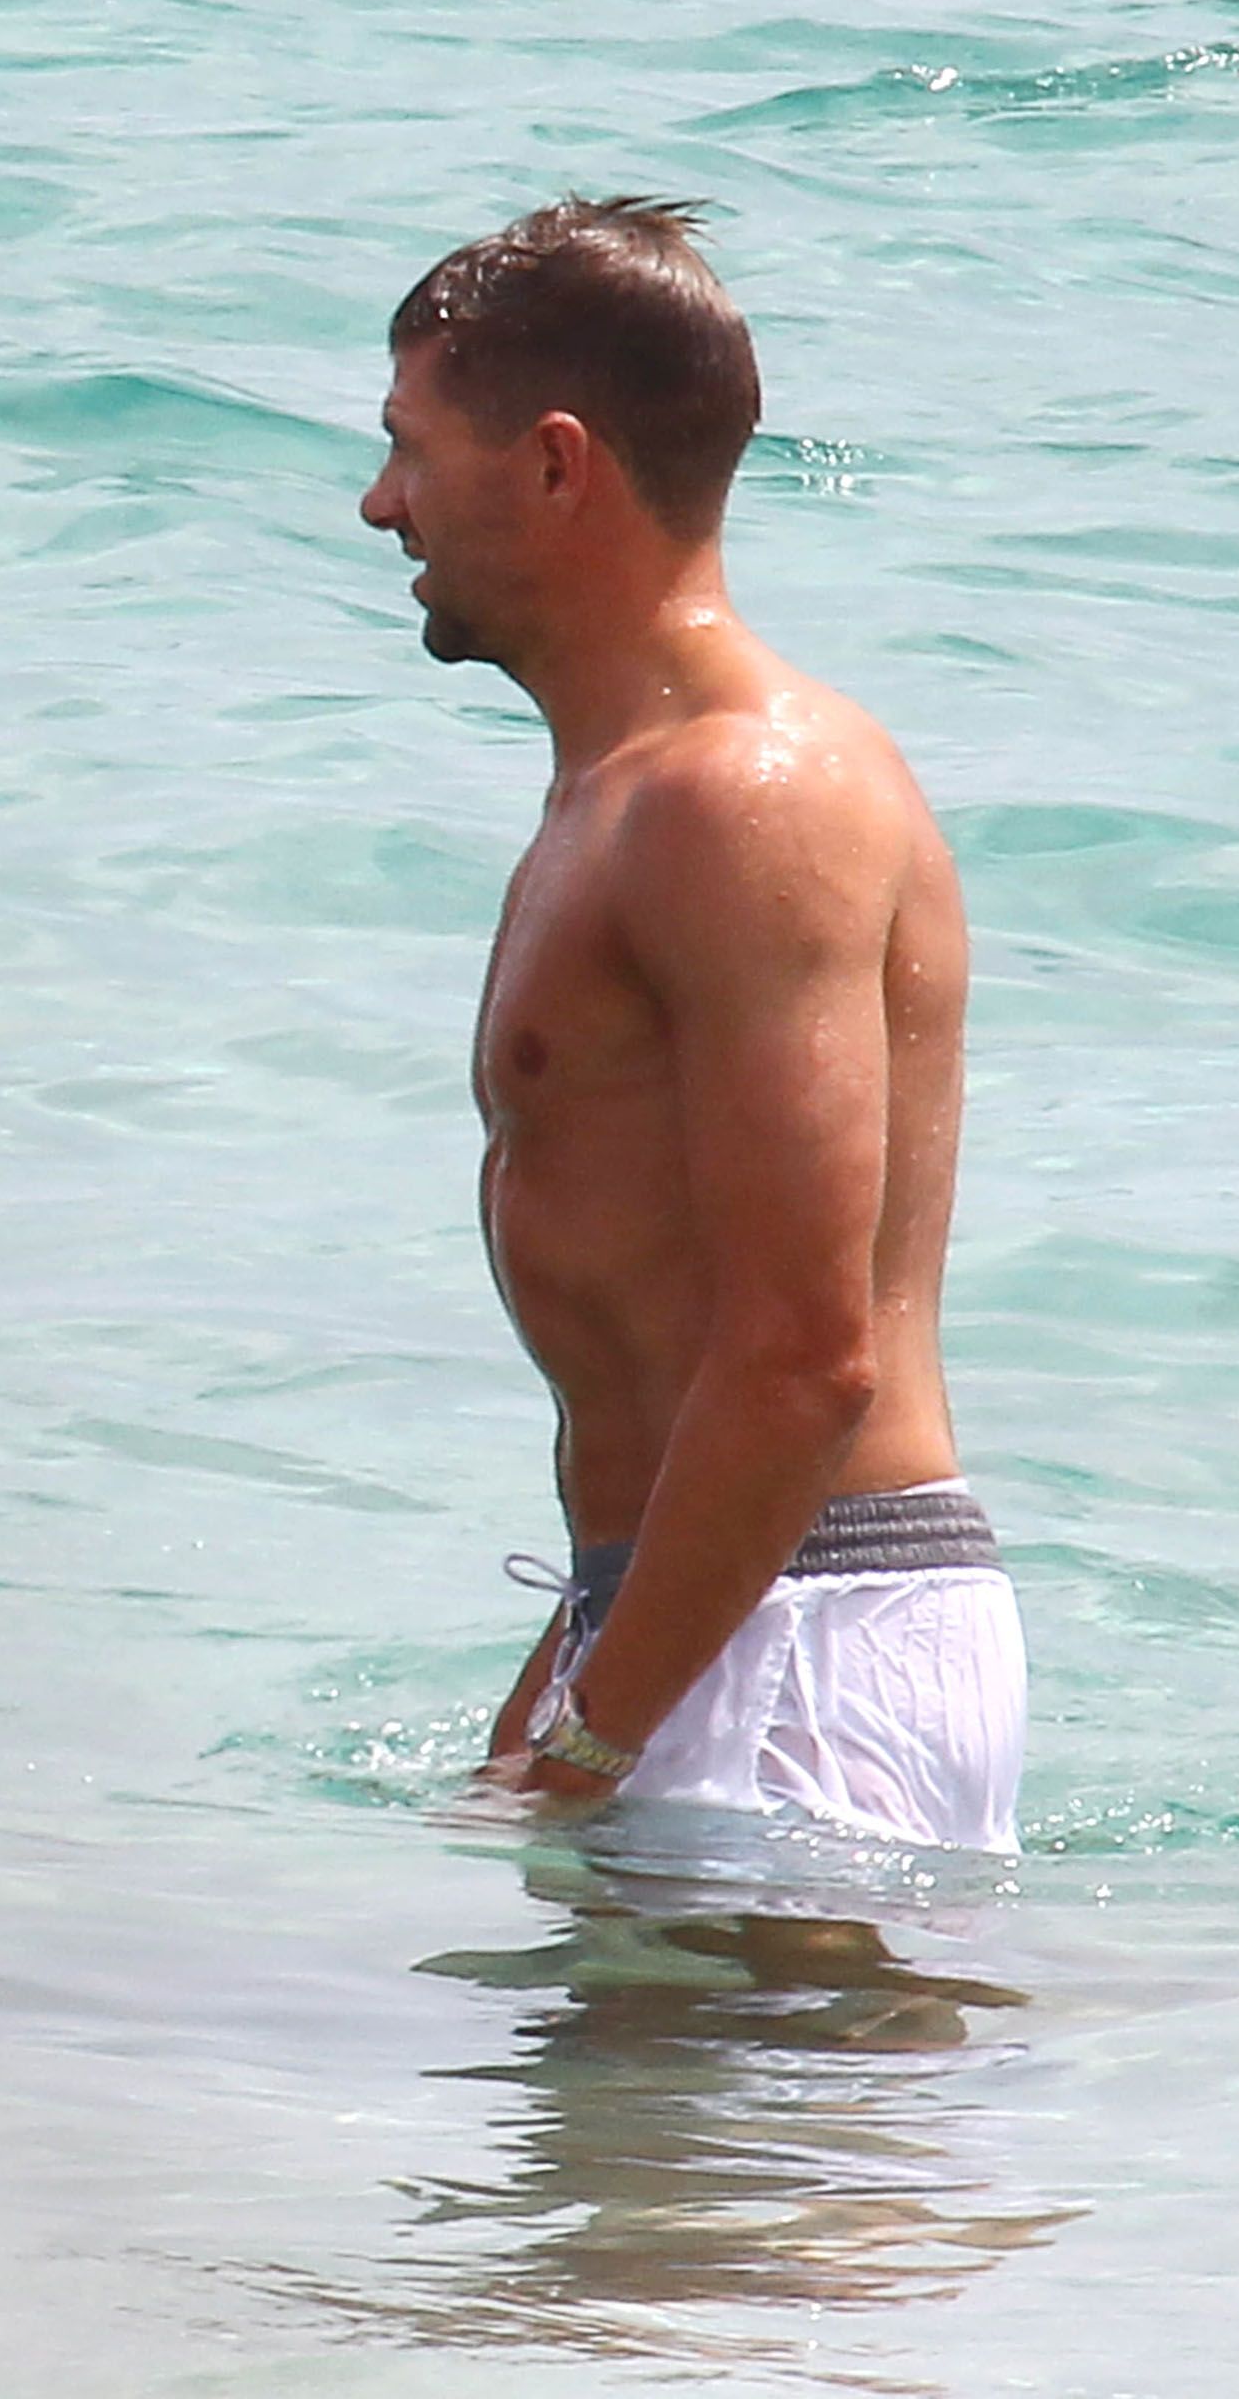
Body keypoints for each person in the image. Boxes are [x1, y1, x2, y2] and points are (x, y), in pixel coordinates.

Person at [359, 201, 1024, 1852]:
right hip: (708, 1619)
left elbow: (804, 1352)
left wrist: (593, 1743)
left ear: (555, 465)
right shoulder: (626, 796)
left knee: (748, 2046)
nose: (381, 503)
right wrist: (560, 1695)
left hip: (803, 1640)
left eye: (410, 448)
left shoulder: (740, 799)